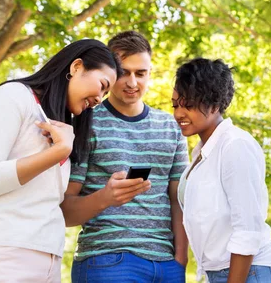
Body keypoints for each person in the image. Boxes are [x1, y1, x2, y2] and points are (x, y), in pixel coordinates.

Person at [0, 39, 120, 283]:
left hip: (47, 260)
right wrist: (57, 153)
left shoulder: (62, 127)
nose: (100, 98)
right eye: (102, 85)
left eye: (105, 93)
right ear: (77, 66)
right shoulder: (13, 96)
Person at [61, 31, 189, 282]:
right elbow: (64, 208)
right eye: (123, 72)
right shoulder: (85, 123)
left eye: (140, 73)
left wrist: (180, 260)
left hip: (167, 265)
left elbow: (179, 200)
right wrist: (105, 197)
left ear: (150, 73)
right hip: (107, 259)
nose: (132, 82)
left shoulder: (171, 127)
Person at [172, 58, 271, 283]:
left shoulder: (235, 145)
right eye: (175, 105)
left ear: (214, 103)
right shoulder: (201, 154)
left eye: (188, 105)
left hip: (253, 272)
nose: (178, 114)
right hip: (222, 273)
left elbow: (248, 229)